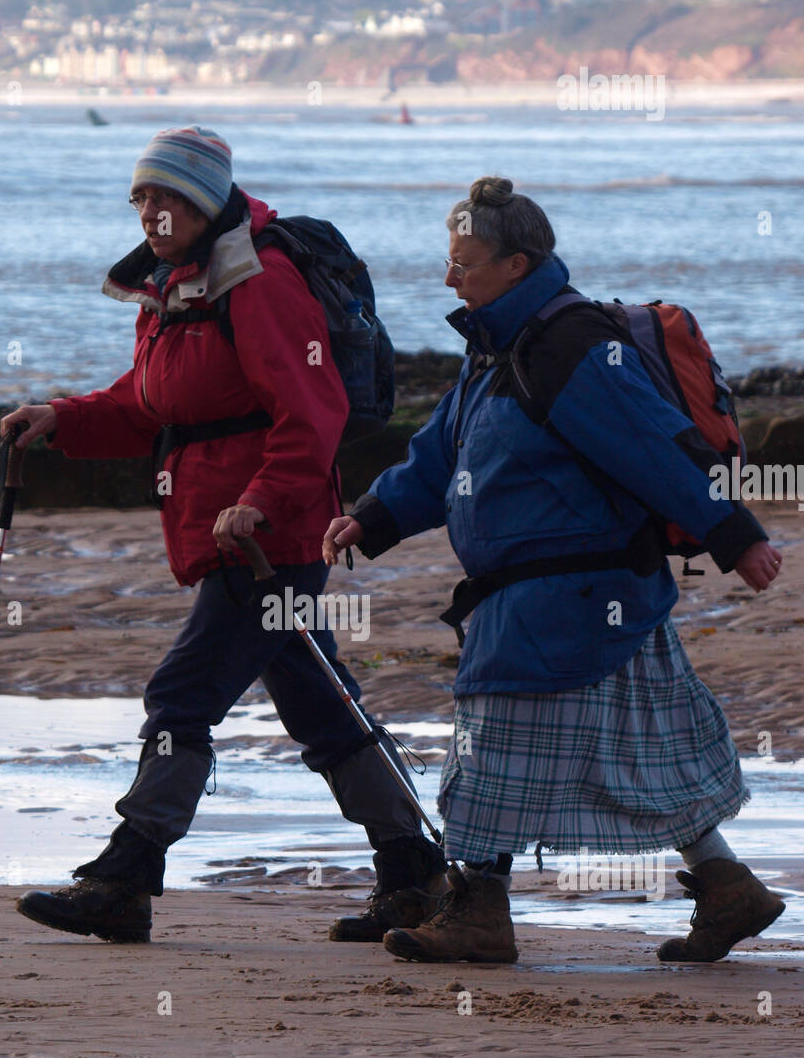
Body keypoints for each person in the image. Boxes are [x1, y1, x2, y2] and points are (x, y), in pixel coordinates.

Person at [0, 125, 447, 945]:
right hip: (228, 531)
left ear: (203, 201)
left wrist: (261, 501)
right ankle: (415, 874)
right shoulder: (177, 288)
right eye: (139, 197)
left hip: (264, 539)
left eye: (166, 197)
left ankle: (125, 877)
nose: (150, 213)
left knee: (182, 695)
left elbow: (313, 414)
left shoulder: (259, 279)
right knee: (322, 707)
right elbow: (149, 406)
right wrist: (60, 419)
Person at [323, 175, 785, 965]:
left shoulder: (569, 344)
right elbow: (438, 456)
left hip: (570, 594)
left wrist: (734, 535)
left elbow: (654, 444)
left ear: (516, 262)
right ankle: (726, 887)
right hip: (557, 595)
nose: (448, 275)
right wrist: (372, 516)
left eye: (463, 260)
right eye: (449, 259)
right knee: (644, 752)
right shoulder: (497, 350)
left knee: (492, 749)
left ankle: (478, 913)